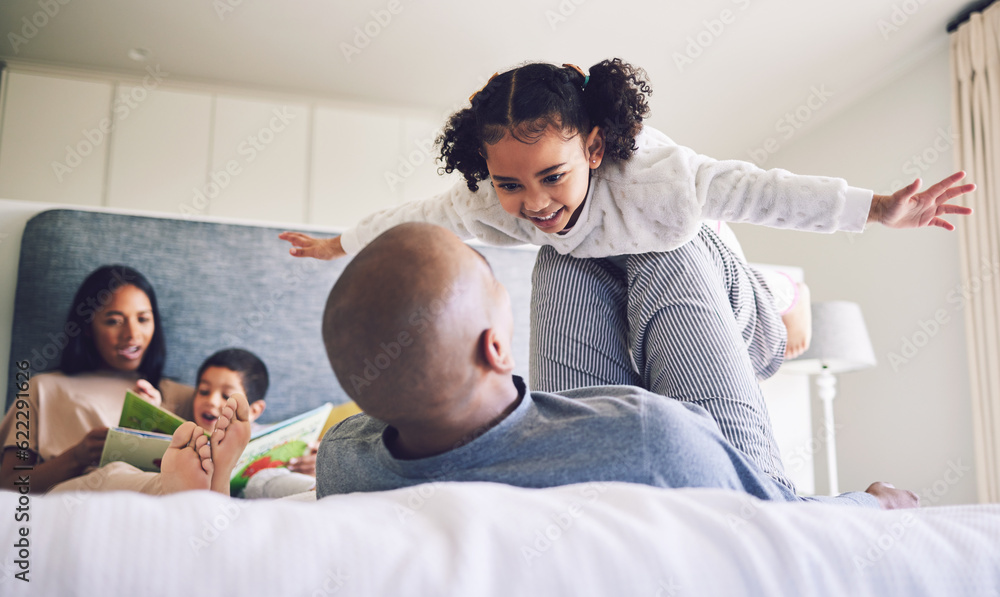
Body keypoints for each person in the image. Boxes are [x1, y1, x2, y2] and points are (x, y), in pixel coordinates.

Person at [279, 58, 973, 360]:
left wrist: (877, 208)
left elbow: (760, 187)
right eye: (512, 184)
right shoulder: (493, 203)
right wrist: (339, 244)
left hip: (689, 243)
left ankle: (781, 288)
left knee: (722, 276)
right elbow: (416, 216)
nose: (535, 204)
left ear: (594, 147)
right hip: (609, 260)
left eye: (551, 175)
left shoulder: (658, 180)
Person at [309, 223, 917, 509]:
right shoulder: (654, 433)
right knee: (665, 236)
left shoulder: (339, 461)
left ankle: (764, 299)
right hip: (672, 450)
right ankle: (777, 323)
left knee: (568, 250)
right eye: (492, 282)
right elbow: (780, 523)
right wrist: (873, 504)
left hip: (570, 430)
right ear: (494, 348)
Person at [0, 265, 192, 493]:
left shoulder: (184, 395)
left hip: (157, 496)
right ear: (88, 327)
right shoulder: (42, 389)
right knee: (114, 472)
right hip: (86, 491)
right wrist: (77, 457)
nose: (132, 334)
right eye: (114, 321)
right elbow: (7, 486)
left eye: (143, 319)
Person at [47, 347, 318, 498]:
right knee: (116, 470)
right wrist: (151, 413)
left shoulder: (262, 433)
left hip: (252, 484)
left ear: (256, 409)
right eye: (203, 391)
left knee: (270, 478)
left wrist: (317, 462)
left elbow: (301, 455)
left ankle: (315, 489)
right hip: (171, 473)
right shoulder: (185, 432)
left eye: (226, 395)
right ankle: (197, 488)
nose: (211, 401)